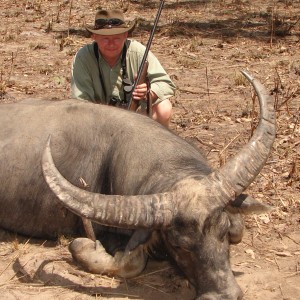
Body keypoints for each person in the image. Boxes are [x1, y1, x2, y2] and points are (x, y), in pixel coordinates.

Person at [71, 9, 176, 127]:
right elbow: (80, 101)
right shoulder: (83, 57)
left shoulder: (139, 52)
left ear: (125, 35)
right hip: (98, 120)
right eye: (105, 38)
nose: (111, 44)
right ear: (94, 37)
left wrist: (148, 92)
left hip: (134, 119)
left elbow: (167, 84)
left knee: (164, 109)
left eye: (116, 38)